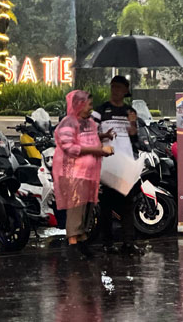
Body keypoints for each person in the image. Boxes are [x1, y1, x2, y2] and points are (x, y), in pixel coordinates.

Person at [53, 90, 113, 259]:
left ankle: (83, 241)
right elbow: (71, 148)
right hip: (74, 173)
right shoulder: (67, 123)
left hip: (90, 174)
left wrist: (104, 136)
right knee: (76, 209)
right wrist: (99, 150)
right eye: (89, 105)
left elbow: (89, 138)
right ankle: (73, 244)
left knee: (88, 208)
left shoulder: (90, 123)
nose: (91, 108)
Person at [92, 76, 143, 255]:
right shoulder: (100, 110)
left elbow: (135, 138)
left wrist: (132, 125)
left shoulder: (130, 111)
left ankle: (128, 243)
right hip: (107, 165)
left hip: (125, 165)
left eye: (119, 87)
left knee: (128, 205)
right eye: (113, 87)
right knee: (106, 206)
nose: (115, 90)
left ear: (125, 90)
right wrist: (102, 137)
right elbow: (90, 135)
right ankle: (107, 243)